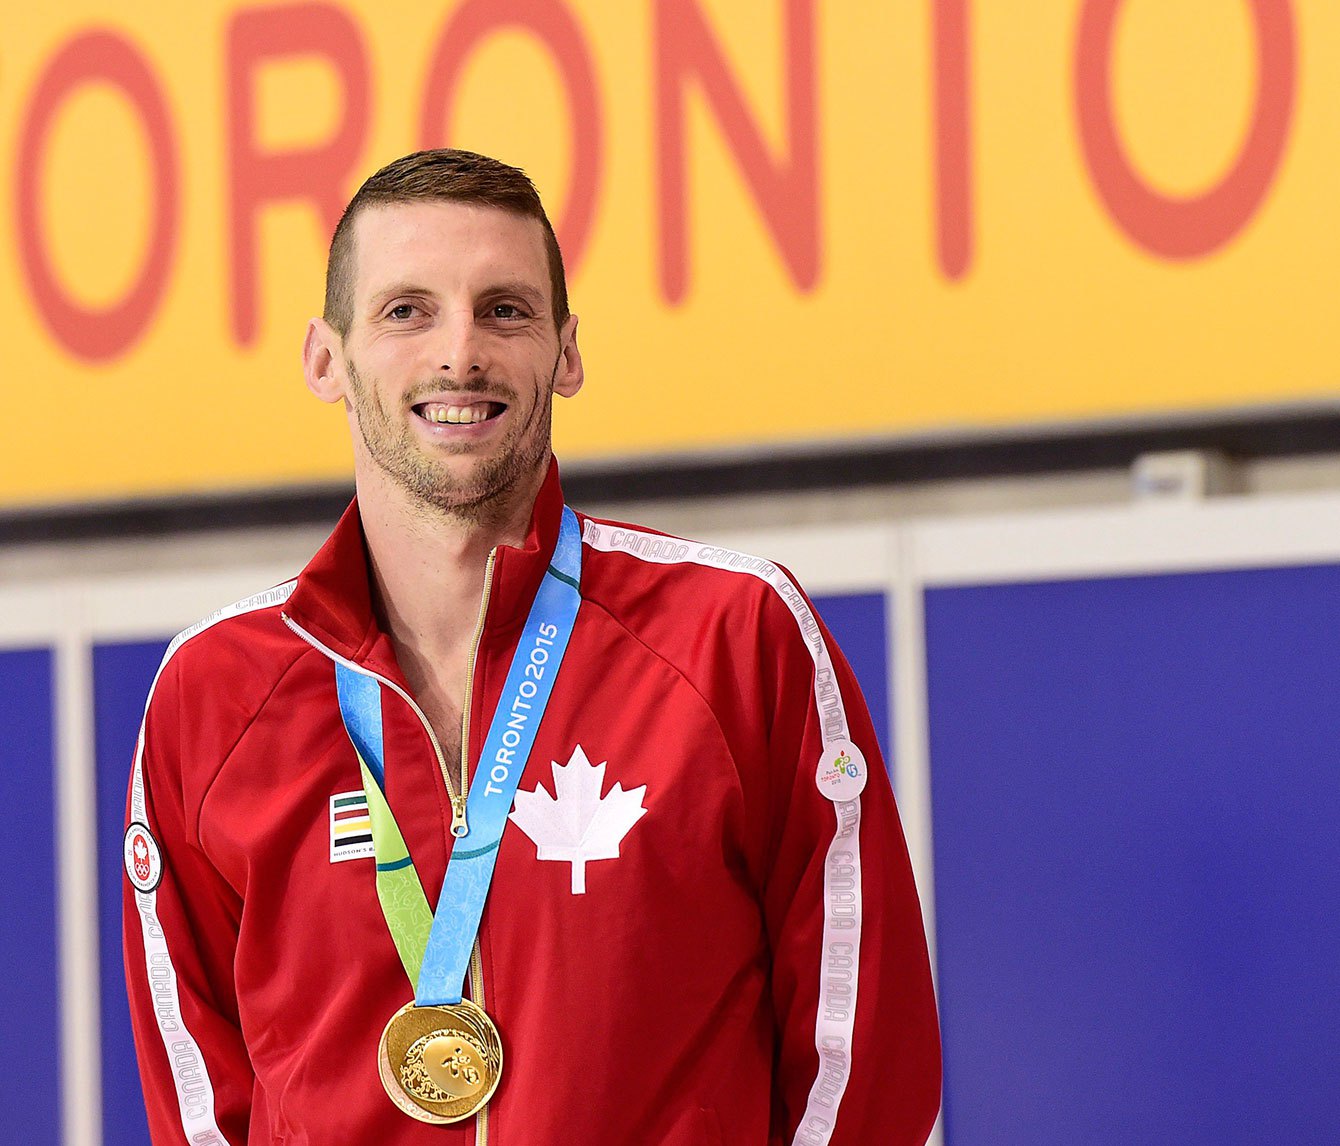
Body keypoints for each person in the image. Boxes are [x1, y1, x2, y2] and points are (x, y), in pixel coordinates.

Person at [123, 148, 941, 1146]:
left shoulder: (734, 638)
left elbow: (860, 1063)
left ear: (565, 352)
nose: (458, 354)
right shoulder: (214, 694)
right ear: (323, 360)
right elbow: (202, 1108)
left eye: (503, 310)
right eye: (405, 310)